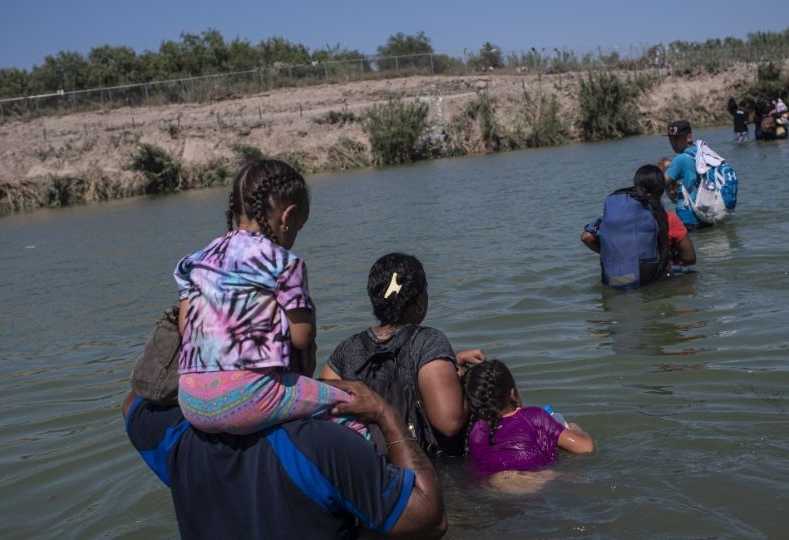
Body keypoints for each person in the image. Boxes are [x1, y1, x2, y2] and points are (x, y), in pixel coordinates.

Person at [174, 159, 365, 437]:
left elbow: (185, 328)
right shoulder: (284, 263)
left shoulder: (194, 261)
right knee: (355, 409)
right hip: (247, 397)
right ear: (288, 217)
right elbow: (302, 337)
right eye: (300, 227)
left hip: (190, 401)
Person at [122, 380, 447, 539]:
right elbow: (431, 521)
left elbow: (136, 399)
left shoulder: (178, 434)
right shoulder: (320, 444)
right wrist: (384, 415)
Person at [321, 253, 485, 456]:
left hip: (370, 471)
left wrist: (452, 362)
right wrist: (467, 377)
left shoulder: (346, 350)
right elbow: (449, 423)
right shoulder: (428, 342)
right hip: (425, 473)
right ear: (418, 302)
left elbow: (322, 410)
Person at [463, 359, 593, 475]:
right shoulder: (534, 417)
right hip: (535, 481)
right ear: (512, 393)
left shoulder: (475, 432)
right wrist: (577, 429)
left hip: (491, 489)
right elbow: (585, 448)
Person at [580, 164, 695, 288]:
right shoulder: (669, 218)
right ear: (662, 190)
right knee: (692, 278)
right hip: (652, 280)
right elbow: (690, 258)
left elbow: (587, 237)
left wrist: (619, 255)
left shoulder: (613, 216)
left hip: (615, 279)